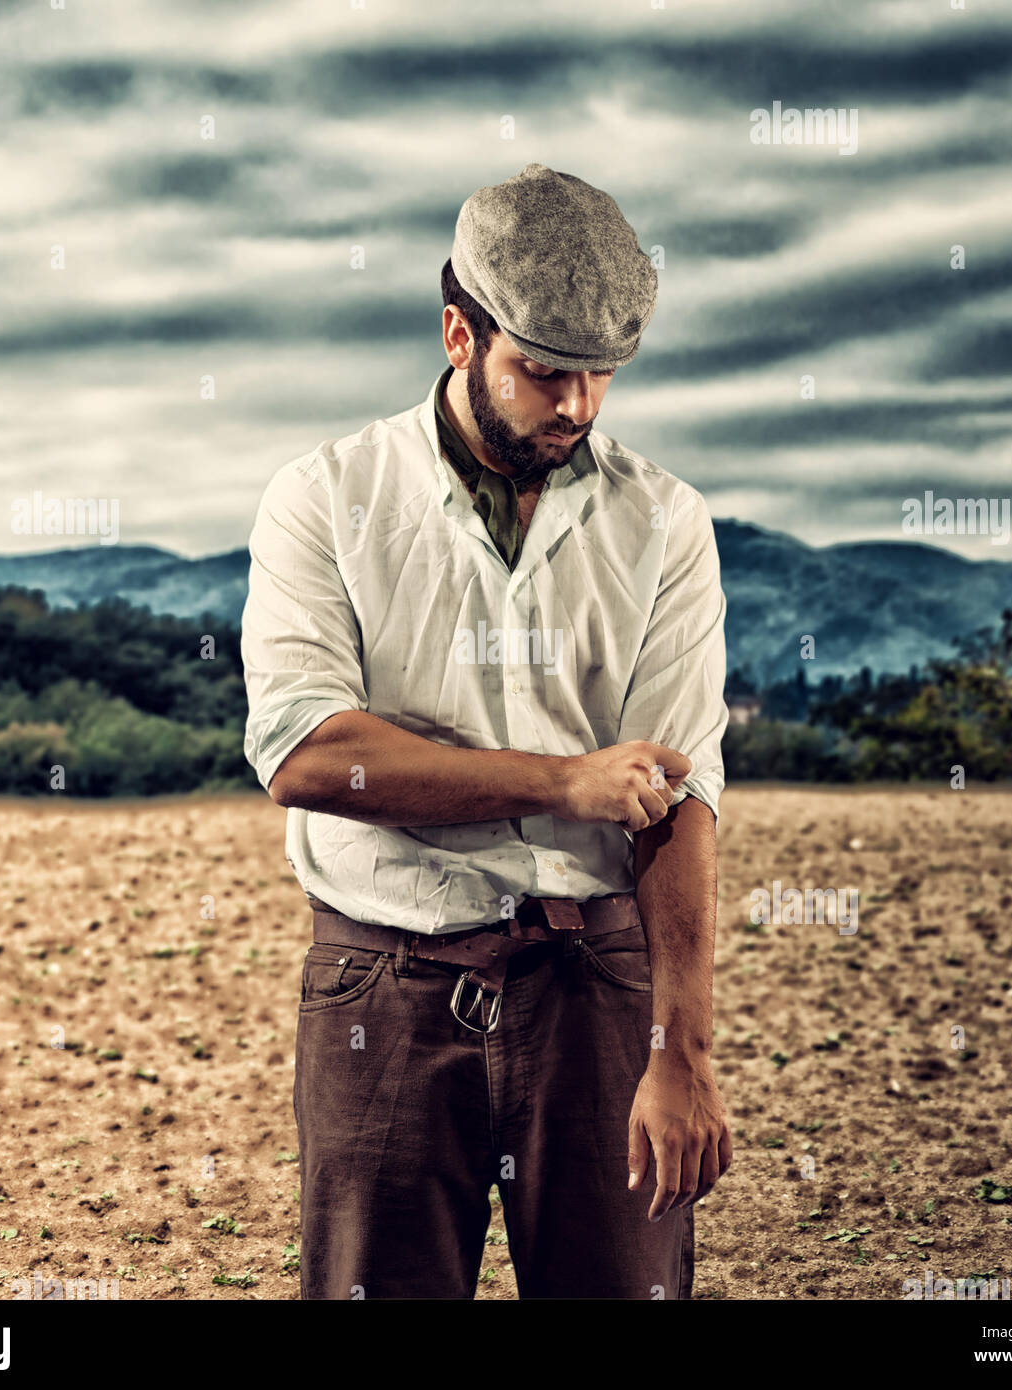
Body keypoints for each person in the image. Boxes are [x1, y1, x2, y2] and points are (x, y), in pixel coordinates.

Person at [241, 163, 731, 1299]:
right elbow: (308, 754)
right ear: (460, 333)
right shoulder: (322, 498)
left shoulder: (666, 523)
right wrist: (563, 782)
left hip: (595, 981)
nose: (576, 407)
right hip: (383, 982)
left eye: (601, 376)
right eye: (544, 373)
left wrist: (683, 1053)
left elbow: (680, 793)